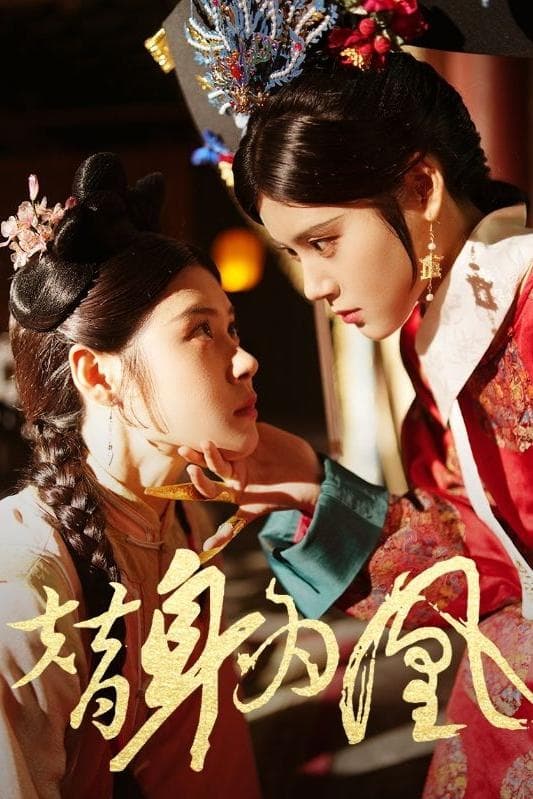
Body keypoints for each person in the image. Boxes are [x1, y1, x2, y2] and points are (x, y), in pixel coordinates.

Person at [178, 52, 533, 797]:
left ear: (421, 186)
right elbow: (483, 561)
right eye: (292, 252)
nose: (312, 284)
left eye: (325, 241)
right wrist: (311, 487)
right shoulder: (429, 332)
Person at [0, 152, 262, 798]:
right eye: (201, 331)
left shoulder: (180, 516)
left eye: (231, 327)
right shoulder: (23, 583)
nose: (245, 360)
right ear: (98, 374)